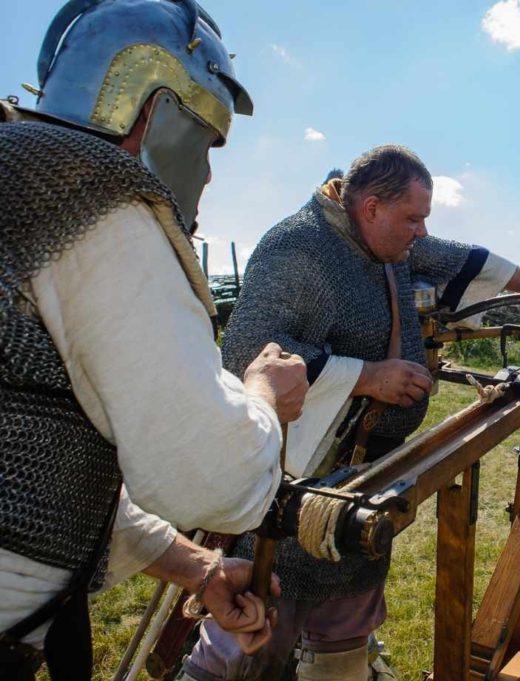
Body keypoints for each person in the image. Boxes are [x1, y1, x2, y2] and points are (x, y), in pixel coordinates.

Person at [178, 145, 520, 680]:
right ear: (370, 208)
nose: (420, 232)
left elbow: (466, 260)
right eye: (412, 219)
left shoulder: (388, 244)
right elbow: (251, 353)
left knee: (342, 637)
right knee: (250, 642)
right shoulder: (298, 247)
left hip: (364, 481)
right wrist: (368, 376)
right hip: (295, 487)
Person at [0, 1, 309, 678]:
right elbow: (208, 472)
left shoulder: (17, 179)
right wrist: (262, 394)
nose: (208, 170)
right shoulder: (85, 194)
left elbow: (35, 468)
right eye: (205, 138)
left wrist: (197, 567)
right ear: (155, 109)